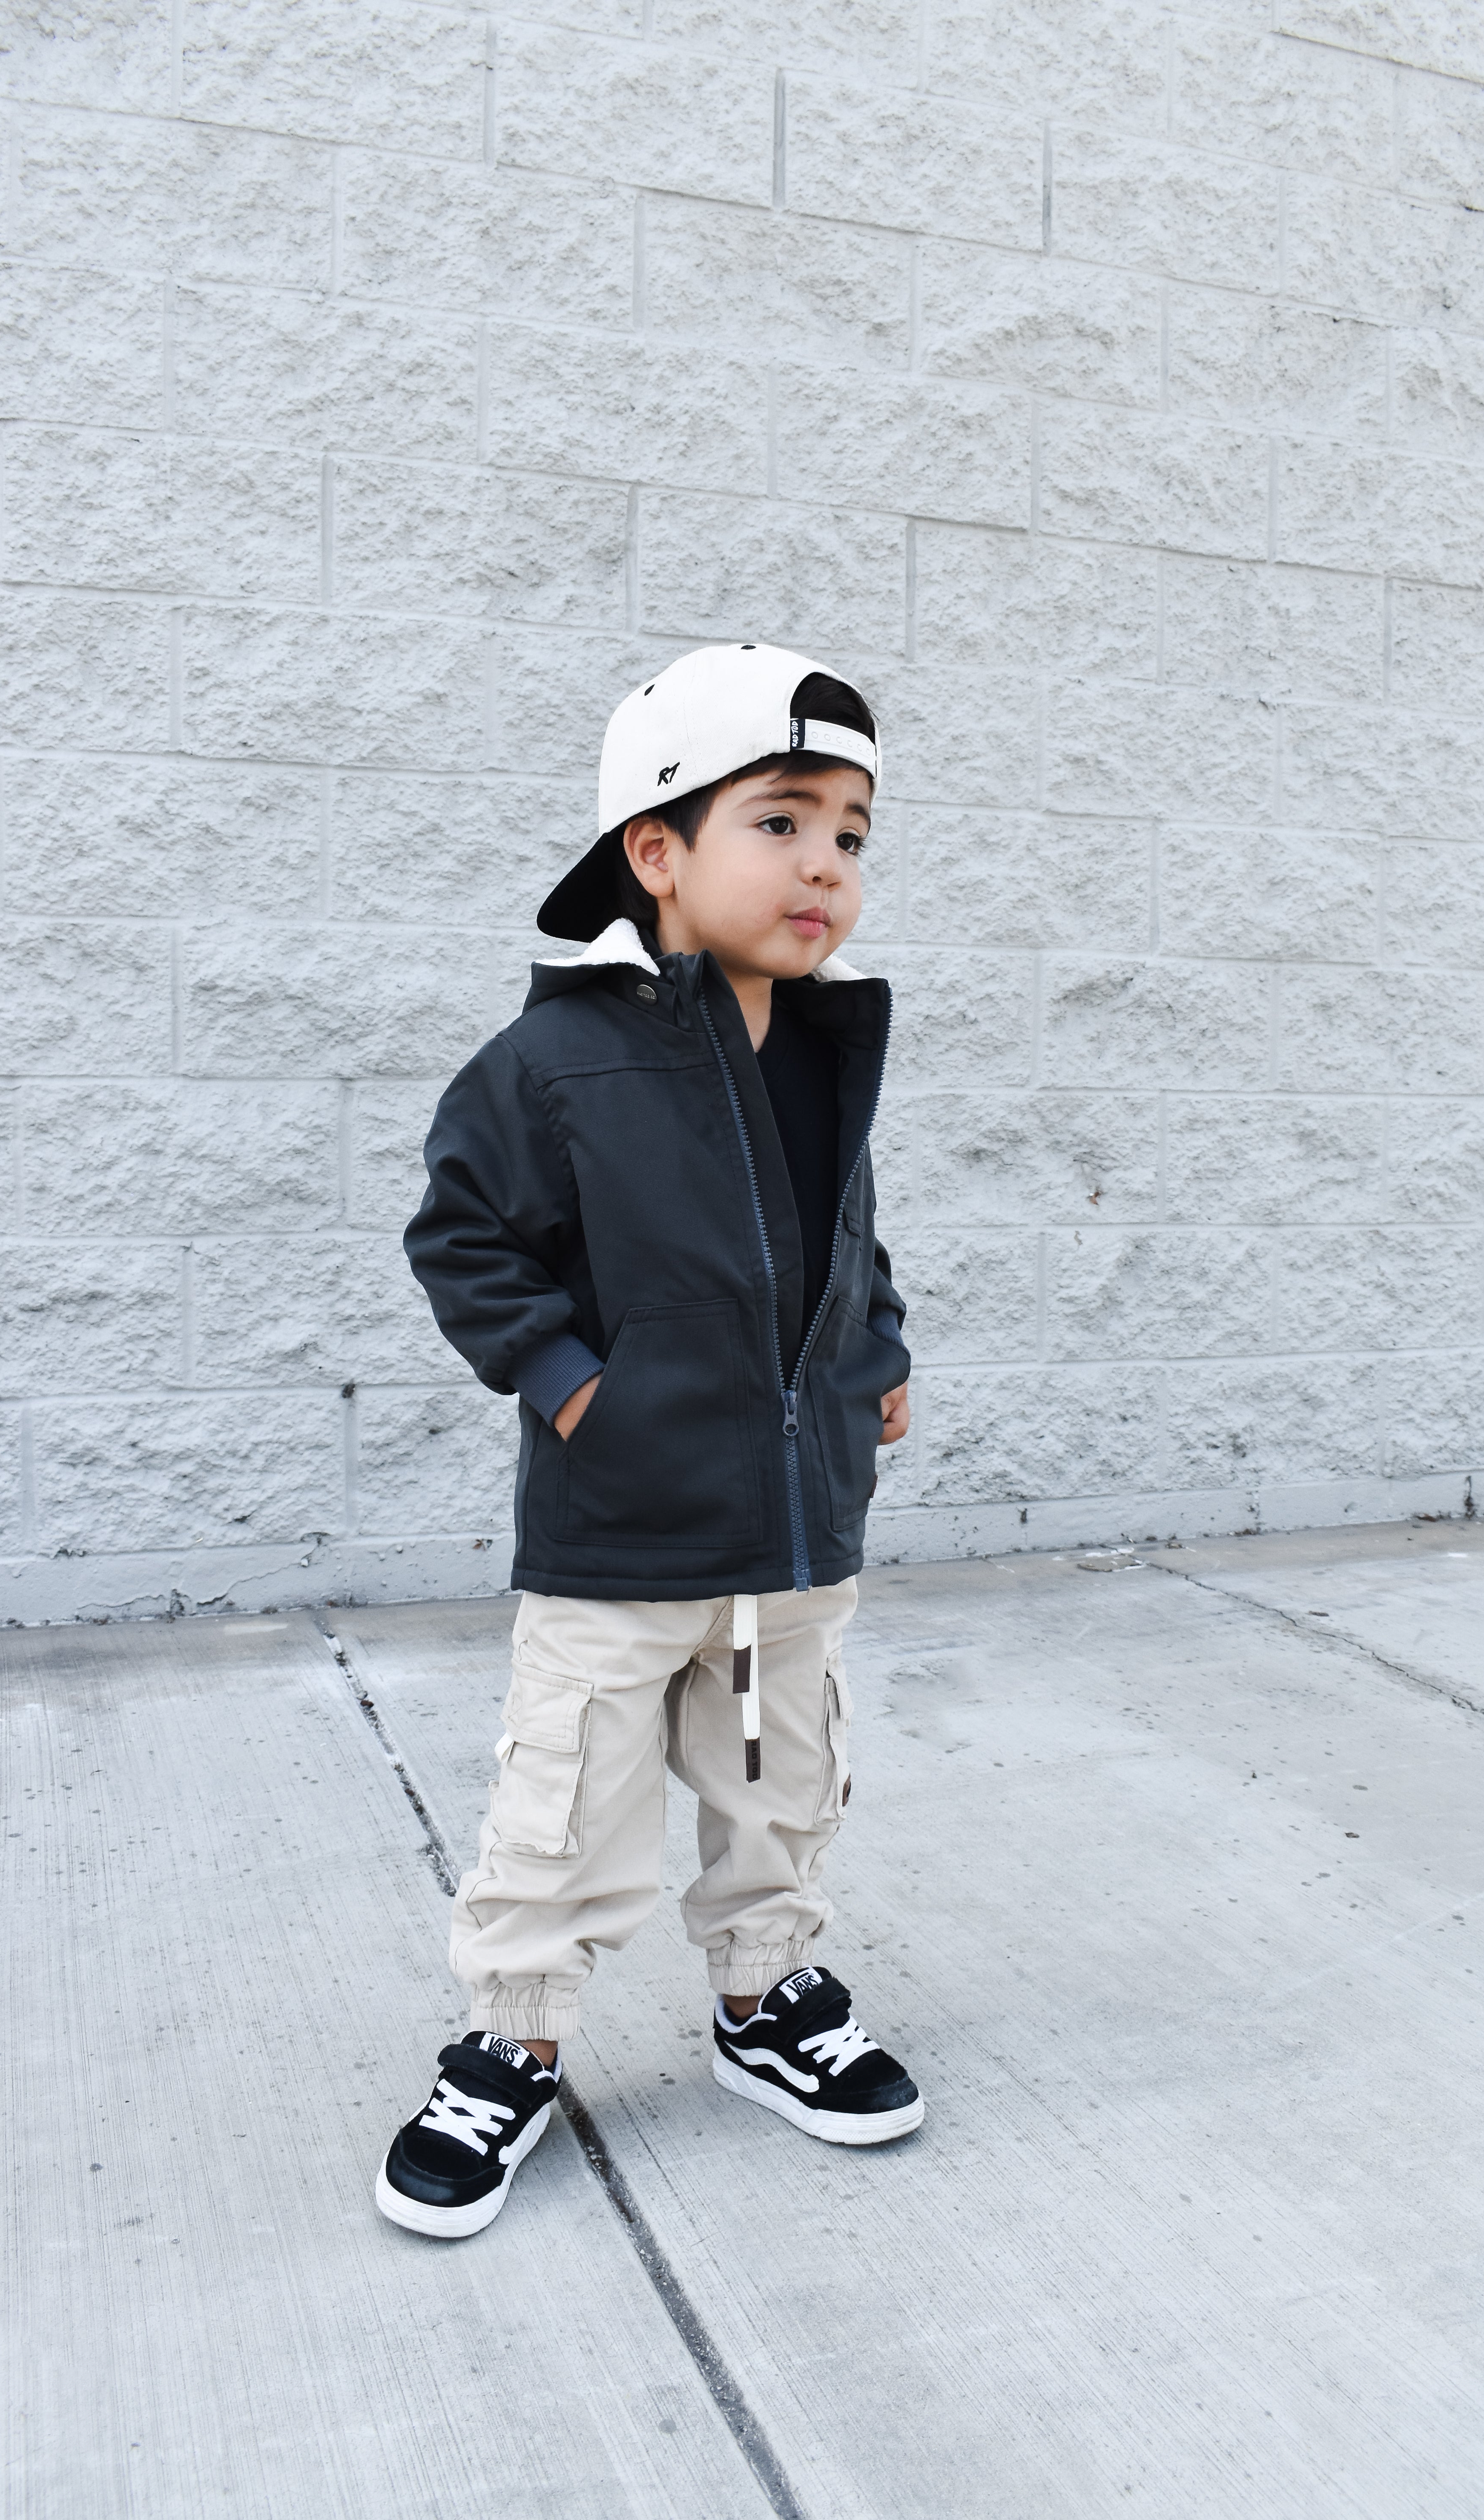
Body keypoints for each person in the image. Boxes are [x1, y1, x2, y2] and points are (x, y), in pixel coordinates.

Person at [376, 643, 920, 2239]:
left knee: (777, 1782)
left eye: (851, 834)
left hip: (792, 1531)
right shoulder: (552, 1064)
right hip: (622, 1533)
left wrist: (875, 1356)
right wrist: (570, 1385)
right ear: (658, 852)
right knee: (568, 1801)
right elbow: (464, 1240)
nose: (824, 865)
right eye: (782, 821)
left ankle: (766, 1996)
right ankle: (514, 2038)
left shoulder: (823, 1050)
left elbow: (846, 1238)